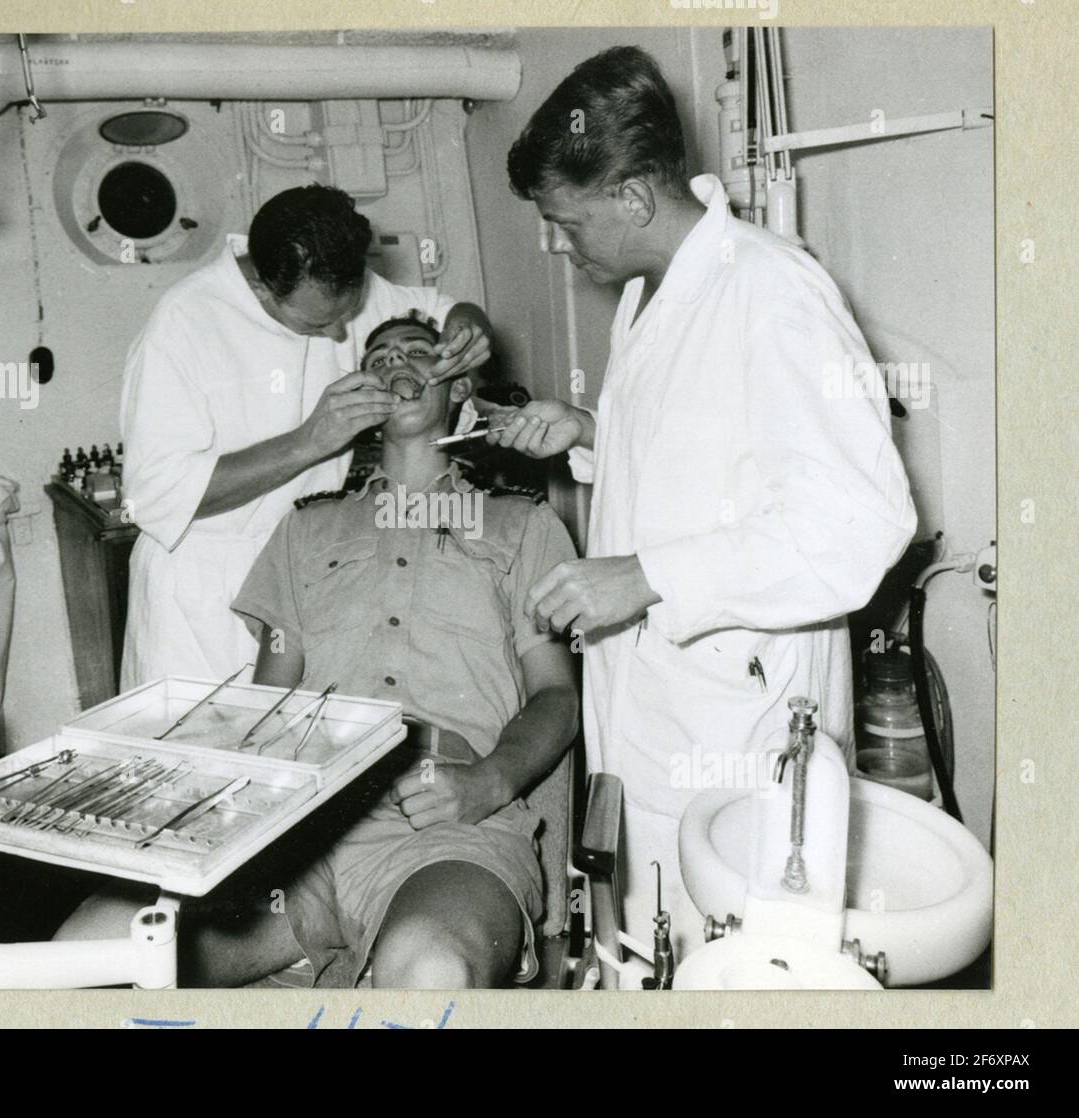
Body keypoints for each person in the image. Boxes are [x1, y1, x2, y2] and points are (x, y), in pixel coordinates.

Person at [481, 46, 918, 954]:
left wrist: (647, 577)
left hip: (738, 720)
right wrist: (592, 429)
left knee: (737, 958)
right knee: (655, 947)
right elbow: (714, 458)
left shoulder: (772, 294)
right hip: (657, 707)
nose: (561, 243)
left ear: (634, 197)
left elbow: (858, 525)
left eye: (567, 220)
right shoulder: (657, 292)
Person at [176, 311, 579, 988]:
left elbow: (556, 697)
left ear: (457, 388)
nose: (396, 363)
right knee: (108, 947)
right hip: (304, 821)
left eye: (419, 352)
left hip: (447, 816)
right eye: (378, 356)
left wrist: (488, 783)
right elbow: (268, 705)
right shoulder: (306, 529)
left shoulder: (521, 523)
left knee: (431, 967)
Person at [118, 184, 494, 689]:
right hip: (201, 600)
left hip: (304, 575)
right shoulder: (184, 321)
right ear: (262, 287)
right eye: (319, 323)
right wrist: (309, 442)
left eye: (350, 310)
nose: (343, 333)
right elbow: (154, 497)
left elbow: (446, 309)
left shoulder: (333, 280)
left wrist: (467, 328)